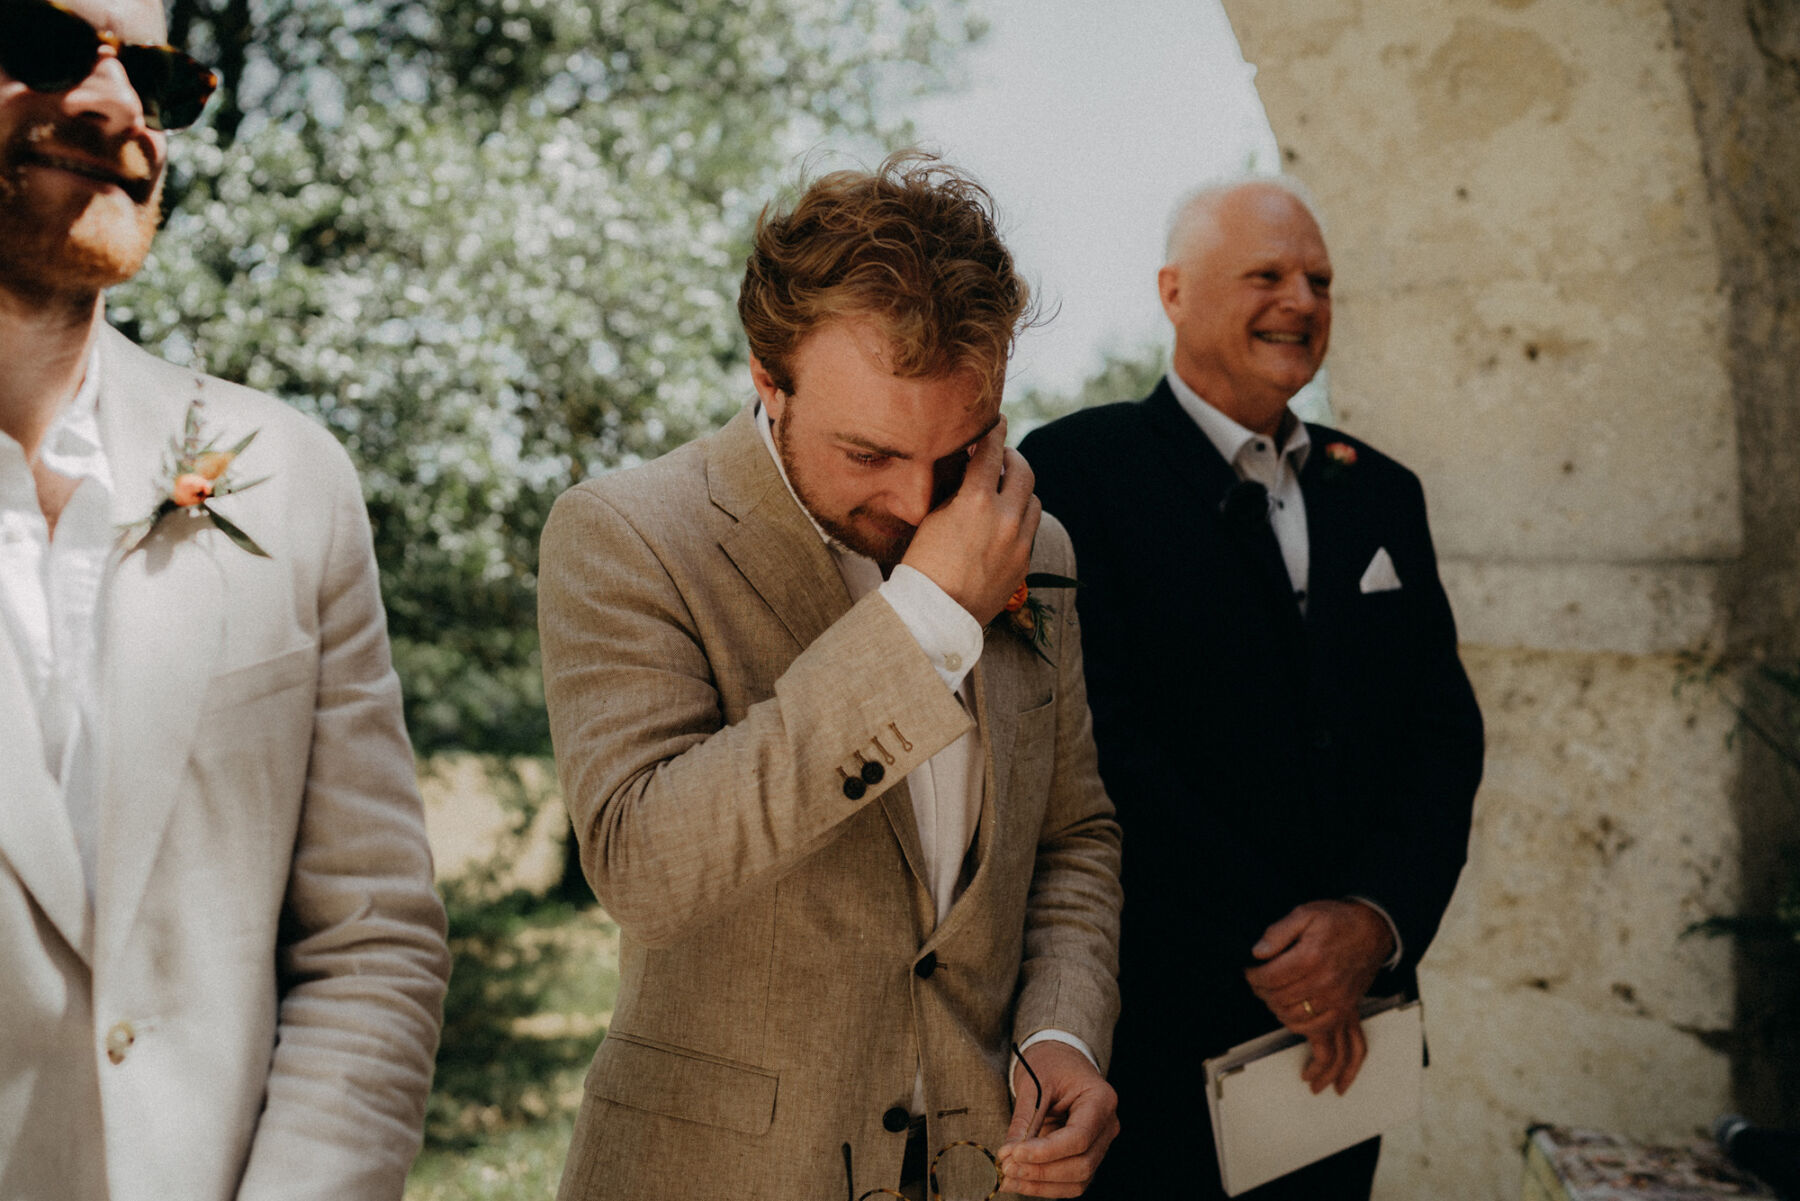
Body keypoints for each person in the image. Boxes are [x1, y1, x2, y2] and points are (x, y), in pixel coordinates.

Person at [539, 152, 1123, 1201]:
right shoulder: (626, 533)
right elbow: (643, 863)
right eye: (868, 456)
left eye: (961, 448)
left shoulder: (1042, 549)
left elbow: (1074, 837)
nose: (915, 502)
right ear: (769, 381)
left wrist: (1062, 1029)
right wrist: (929, 616)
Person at [0, 2, 450, 1197]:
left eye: (152, 75)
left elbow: (371, 942)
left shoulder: (291, 477)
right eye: (37, 43)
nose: (114, 111)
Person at [1019, 177, 1484, 1200]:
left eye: (1319, 279)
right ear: (1173, 292)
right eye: (1267, 274)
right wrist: (1272, 944)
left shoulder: (1383, 493)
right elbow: (1096, 744)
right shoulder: (1075, 472)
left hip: (1344, 1044)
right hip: (1148, 1040)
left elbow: (1440, 736)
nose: (1302, 300)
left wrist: (1373, 922)